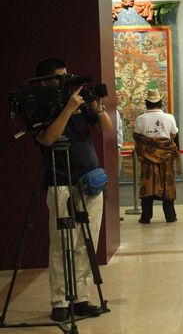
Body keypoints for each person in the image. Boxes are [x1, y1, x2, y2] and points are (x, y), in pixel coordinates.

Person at [34, 57, 113, 322]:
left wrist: (98, 109)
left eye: (66, 76)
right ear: (44, 81)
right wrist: (68, 109)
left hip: (90, 181)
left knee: (86, 242)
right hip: (60, 182)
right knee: (61, 243)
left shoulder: (79, 102)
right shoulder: (40, 106)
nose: (65, 82)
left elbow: (106, 128)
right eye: (60, 77)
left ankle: (81, 297)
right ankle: (60, 301)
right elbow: (47, 138)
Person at [133, 89, 179, 224]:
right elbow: (174, 134)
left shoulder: (140, 119)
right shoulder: (169, 117)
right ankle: (170, 216)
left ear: (146, 103)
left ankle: (146, 217)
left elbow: (137, 137)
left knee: (147, 185)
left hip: (148, 157)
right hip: (166, 157)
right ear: (160, 103)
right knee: (167, 184)